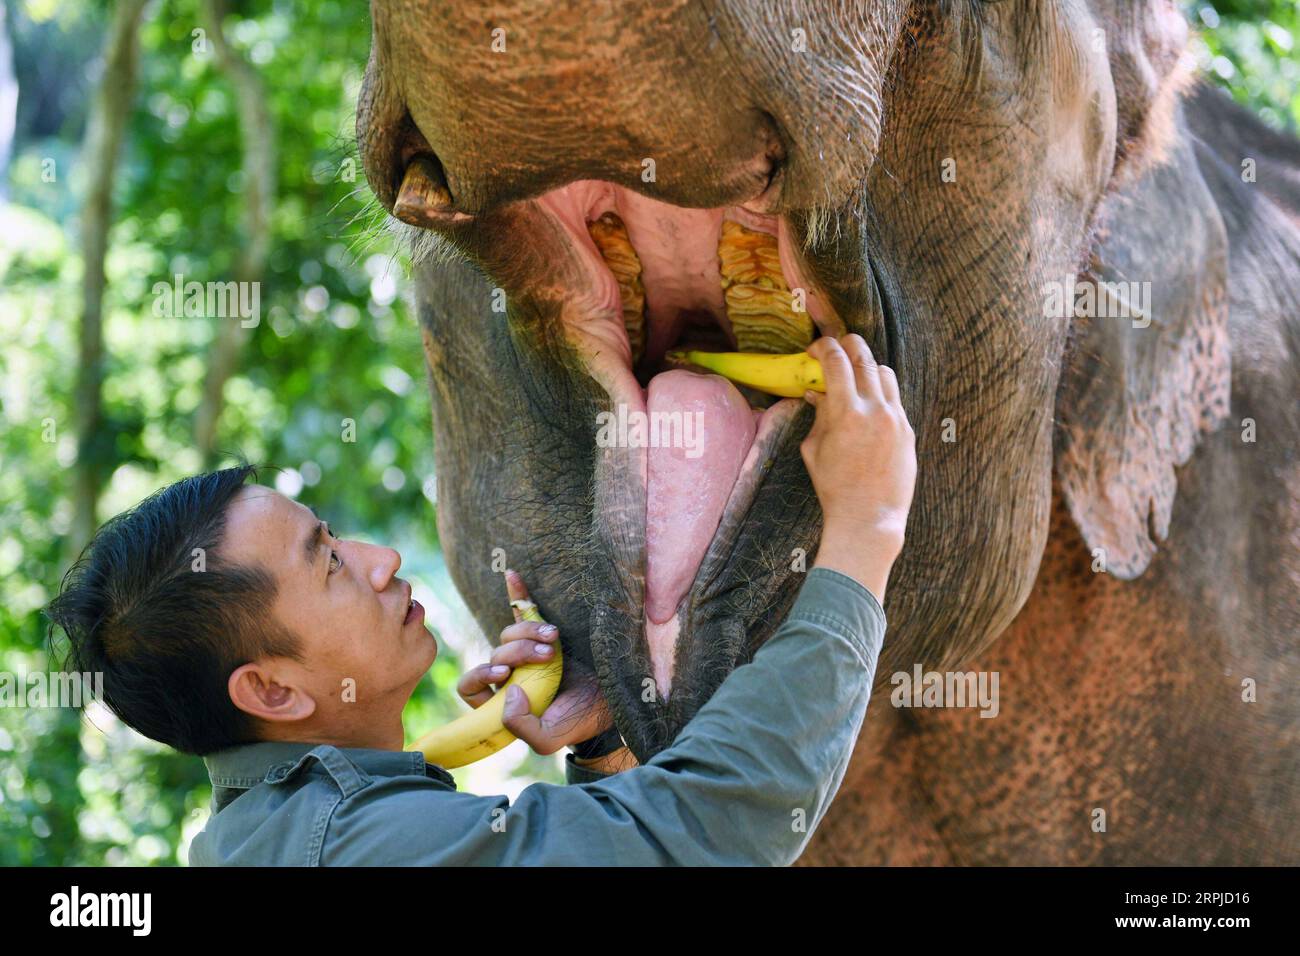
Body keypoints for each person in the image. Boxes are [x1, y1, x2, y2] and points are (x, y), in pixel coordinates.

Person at [48, 335, 916, 865]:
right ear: (272, 691)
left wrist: (602, 743)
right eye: (330, 564)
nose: (382, 559)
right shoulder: (355, 850)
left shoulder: (295, 832)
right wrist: (864, 537)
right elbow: (703, 840)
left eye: (334, 533)